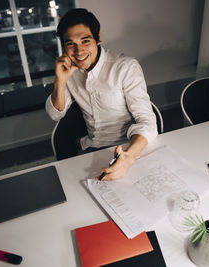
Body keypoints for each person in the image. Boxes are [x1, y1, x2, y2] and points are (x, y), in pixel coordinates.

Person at [45, 8, 158, 181]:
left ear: (98, 37)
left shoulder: (125, 67)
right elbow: (55, 114)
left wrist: (128, 158)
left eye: (85, 41)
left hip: (128, 148)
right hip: (91, 149)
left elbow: (148, 122)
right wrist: (60, 81)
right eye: (70, 44)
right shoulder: (69, 71)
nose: (79, 51)